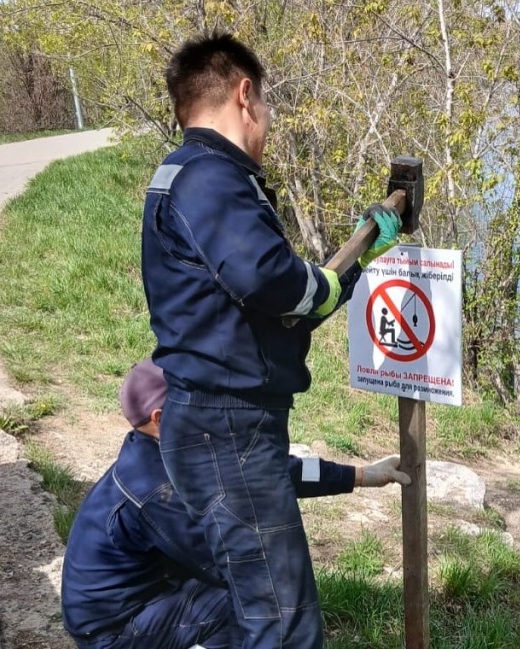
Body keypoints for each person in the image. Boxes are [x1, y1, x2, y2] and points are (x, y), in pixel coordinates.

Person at [139, 32, 403, 649]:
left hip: (214, 420)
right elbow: (268, 280)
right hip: (227, 426)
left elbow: (264, 311)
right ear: (244, 94)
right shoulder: (210, 176)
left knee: (261, 605)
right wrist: (330, 283)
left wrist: (355, 269)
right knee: (282, 622)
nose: (268, 124)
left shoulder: (183, 174)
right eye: (269, 108)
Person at [61, 359, 410, 649]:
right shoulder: (157, 490)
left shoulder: (176, 448)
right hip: (115, 628)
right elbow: (229, 564)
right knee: (255, 604)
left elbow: (272, 472)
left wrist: (360, 474)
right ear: (158, 417)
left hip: (153, 593)